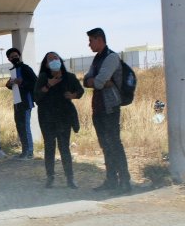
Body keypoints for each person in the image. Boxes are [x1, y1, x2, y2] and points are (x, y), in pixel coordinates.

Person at [84, 27, 131, 194]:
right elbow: (86, 80)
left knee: (114, 145)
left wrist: (96, 81)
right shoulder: (98, 58)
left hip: (110, 108)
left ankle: (125, 182)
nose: (89, 44)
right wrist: (96, 81)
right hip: (99, 108)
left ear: (99, 39)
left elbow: (97, 82)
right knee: (106, 145)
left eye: (91, 40)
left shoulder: (111, 58)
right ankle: (111, 180)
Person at [34, 52, 84, 189]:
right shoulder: (43, 77)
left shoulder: (70, 77)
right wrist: (48, 85)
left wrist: (72, 95)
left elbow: (80, 91)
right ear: (46, 64)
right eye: (50, 59)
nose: (54, 60)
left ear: (60, 60)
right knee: (49, 147)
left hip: (64, 117)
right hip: (46, 118)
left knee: (64, 148)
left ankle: (70, 178)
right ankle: (50, 177)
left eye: (55, 57)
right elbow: (36, 98)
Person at [5, 48, 38, 160]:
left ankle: (29, 152)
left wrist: (23, 82)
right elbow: (13, 86)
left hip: (26, 101)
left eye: (16, 55)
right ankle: (24, 151)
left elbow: (35, 83)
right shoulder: (13, 70)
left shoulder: (25, 68)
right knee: (19, 127)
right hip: (17, 102)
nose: (14, 58)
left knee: (25, 126)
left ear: (19, 56)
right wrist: (9, 84)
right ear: (9, 59)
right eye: (12, 57)